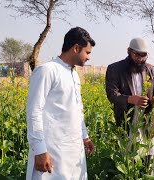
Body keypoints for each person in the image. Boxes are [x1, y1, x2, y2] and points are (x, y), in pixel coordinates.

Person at [26, 27, 95, 180]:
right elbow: (34, 111)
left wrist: (85, 136)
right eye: (87, 52)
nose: (89, 57)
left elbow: (77, 109)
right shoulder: (47, 71)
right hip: (52, 151)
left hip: (73, 151)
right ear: (76, 48)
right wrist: (39, 150)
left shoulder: (74, 75)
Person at [105, 37, 154, 172]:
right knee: (129, 160)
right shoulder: (115, 69)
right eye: (137, 55)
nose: (140, 59)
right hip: (127, 121)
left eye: (144, 56)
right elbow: (112, 95)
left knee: (149, 158)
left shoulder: (151, 69)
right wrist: (131, 99)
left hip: (147, 122)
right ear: (129, 51)